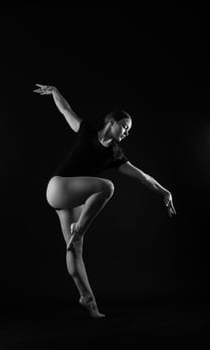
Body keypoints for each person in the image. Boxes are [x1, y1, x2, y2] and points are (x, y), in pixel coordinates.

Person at [33, 83, 177, 318]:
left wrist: (165, 192)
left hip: (70, 201)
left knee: (75, 250)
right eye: (124, 126)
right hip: (57, 186)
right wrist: (55, 92)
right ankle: (78, 229)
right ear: (112, 122)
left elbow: (142, 176)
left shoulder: (115, 155)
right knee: (106, 186)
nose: (126, 132)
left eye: (129, 130)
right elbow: (65, 110)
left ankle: (89, 302)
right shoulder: (86, 130)